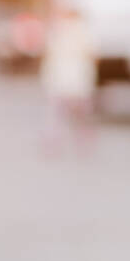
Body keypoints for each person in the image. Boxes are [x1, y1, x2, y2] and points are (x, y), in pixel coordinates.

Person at [40, 10, 97, 155]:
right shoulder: (85, 32)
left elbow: (48, 54)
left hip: (59, 81)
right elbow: (93, 55)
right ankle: (84, 144)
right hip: (79, 82)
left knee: (55, 116)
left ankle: (52, 144)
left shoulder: (57, 31)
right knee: (82, 116)